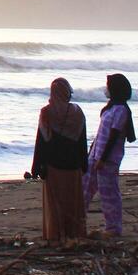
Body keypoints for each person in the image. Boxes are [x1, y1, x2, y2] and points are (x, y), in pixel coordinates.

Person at [29, 77, 87, 243]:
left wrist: (37, 167)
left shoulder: (47, 112)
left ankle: (55, 234)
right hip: (74, 165)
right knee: (72, 201)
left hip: (53, 165)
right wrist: (85, 164)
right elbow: (82, 141)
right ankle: (74, 233)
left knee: (55, 203)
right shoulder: (77, 112)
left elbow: (41, 141)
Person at [84, 72, 137, 237]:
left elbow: (114, 136)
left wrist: (103, 159)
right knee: (85, 188)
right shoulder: (110, 108)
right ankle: (78, 222)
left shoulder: (121, 110)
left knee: (109, 193)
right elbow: (101, 133)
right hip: (95, 155)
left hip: (108, 159)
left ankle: (113, 228)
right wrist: (91, 153)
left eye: (108, 86)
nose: (106, 89)